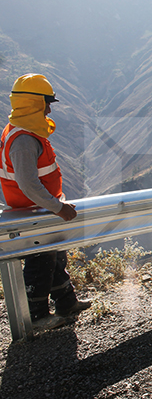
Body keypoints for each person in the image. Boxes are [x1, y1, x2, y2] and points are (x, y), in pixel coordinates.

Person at [0, 73, 90, 330]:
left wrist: (53, 205)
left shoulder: (24, 132)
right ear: (35, 103)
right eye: (46, 103)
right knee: (41, 262)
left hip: (41, 209)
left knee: (54, 258)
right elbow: (28, 184)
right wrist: (58, 207)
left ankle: (66, 302)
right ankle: (37, 316)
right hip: (32, 212)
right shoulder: (24, 140)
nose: (49, 108)